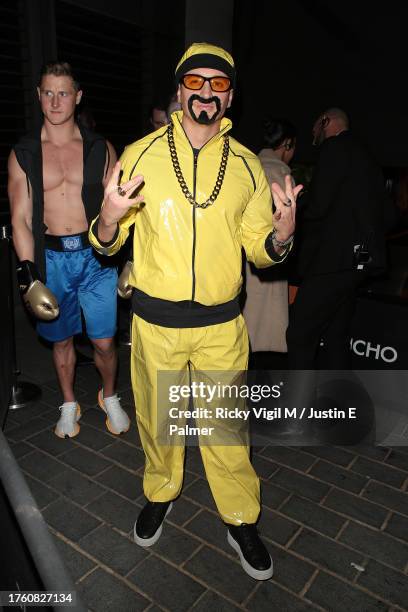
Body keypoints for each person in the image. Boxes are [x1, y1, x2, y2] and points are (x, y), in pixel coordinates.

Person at [89, 42, 302, 580]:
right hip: (156, 323)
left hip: (219, 326)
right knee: (158, 425)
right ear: (180, 89)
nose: (206, 92)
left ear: (230, 97)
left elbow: (259, 248)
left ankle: (239, 518)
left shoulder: (251, 166)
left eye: (218, 84)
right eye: (196, 81)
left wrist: (281, 236)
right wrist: (110, 219)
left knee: (226, 430)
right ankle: (160, 492)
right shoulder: (139, 155)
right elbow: (108, 243)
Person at [8, 61, 130, 438]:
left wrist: (130, 261)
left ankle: (109, 396)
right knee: (60, 339)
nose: (55, 101)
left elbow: (121, 208)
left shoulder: (100, 147)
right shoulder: (24, 153)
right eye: (48, 92)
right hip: (53, 259)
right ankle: (68, 403)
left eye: (63, 93)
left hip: (96, 258)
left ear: (77, 97)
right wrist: (29, 277)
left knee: (105, 340)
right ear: (38, 96)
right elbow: (21, 220)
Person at [287, 107, 387, 370]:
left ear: (326, 122)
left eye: (315, 128)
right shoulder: (368, 157)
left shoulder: (334, 148)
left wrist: (295, 203)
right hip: (359, 261)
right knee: (335, 335)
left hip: (333, 260)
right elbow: (385, 214)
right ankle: (339, 401)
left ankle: (296, 405)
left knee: (299, 332)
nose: (314, 134)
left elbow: (319, 205)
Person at [243, 118, 297, 358]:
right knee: (266, 337)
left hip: (241, 261)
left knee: (245, 333)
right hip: (269, 258)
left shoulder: (247, 166)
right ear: (286, 144)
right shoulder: (282, 175)